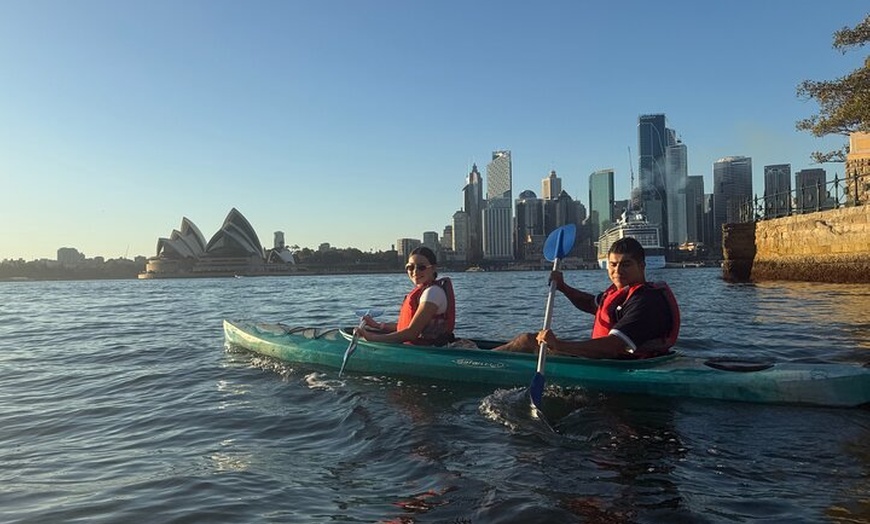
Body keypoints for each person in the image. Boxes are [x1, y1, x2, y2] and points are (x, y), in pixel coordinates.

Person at [495, 237, 680, 359]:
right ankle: (481, 355)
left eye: (626, 265)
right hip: (610, 360)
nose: (617, 271)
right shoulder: (620, 293)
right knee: (527, 341)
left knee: (527, 341)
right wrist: (563, 288)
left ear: (642, 266)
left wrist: (559, 345)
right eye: (613, 265)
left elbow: (613, 347)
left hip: (620, 366)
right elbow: (591, 304)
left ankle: (479, 360)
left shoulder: (645, 301)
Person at [358, 246, 457, 346]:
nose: (415, 272)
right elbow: (407, 326)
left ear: (433, 268)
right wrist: (378, 326)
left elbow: (411, 333)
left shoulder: (433, 293)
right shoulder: (426, 291)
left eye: (421, 267)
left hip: (429, 351)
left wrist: (372, 338)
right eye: (410, 267)